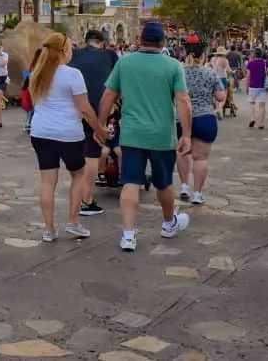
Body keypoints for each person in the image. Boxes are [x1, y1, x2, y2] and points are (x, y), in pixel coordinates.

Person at [98, 22, 192, 252]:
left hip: (131, 134)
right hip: (161, 134)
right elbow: (182, 100)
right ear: (163, 43)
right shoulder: (173, 66)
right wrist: (187, 134)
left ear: (139, 40)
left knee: (130, 182)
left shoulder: (125, 63)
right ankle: (168, 223)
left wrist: (100, 124)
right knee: (164, 183)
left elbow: (109, 94)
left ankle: (128, 235)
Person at [29, 32, 108, 242]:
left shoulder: (38, 72)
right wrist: (99, 128)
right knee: (77, 174)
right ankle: (73, 222)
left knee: (47, 181)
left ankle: (49, 229)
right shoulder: (72, 74)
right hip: (68, 134)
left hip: (41, 132)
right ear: (64, 50)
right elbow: (84, 108)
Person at [69, 29, 119, 217]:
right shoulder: (109, 55)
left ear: (86, 41)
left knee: (80, 156)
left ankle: (79, 195)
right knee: (92, 155)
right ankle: (87, 201)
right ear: (101, 42)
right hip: (99, 110)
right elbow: (116, 83)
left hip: (75, 109)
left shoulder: (74, 54)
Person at [177, 40, 226, 204]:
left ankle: (184, 186)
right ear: (203, 54)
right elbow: (220, 96)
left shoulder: (179, 72)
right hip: (205, 117)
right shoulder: (209, 73)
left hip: (182, 118)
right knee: (200, 158)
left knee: (183, 153)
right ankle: (197, 194)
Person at [245, 48, 268, 130]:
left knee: (251, 103)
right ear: (261, 54)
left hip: (252, 86)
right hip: (262, 86)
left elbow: (248, 76)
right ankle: (261, 123)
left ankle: (252, 119)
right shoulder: (265, 63)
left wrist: (247, 86)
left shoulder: (250, 64)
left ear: (254, 55)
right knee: (262, 106)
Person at [210, 47, 230, 119]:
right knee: (224, 96)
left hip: (215, 78)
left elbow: (210, 67)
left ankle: (217, 109)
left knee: (216, 96)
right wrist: (232, 72)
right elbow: (228, 70)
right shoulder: (225, 60)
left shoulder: (212, 59)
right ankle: (219, 109)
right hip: (223, 78)